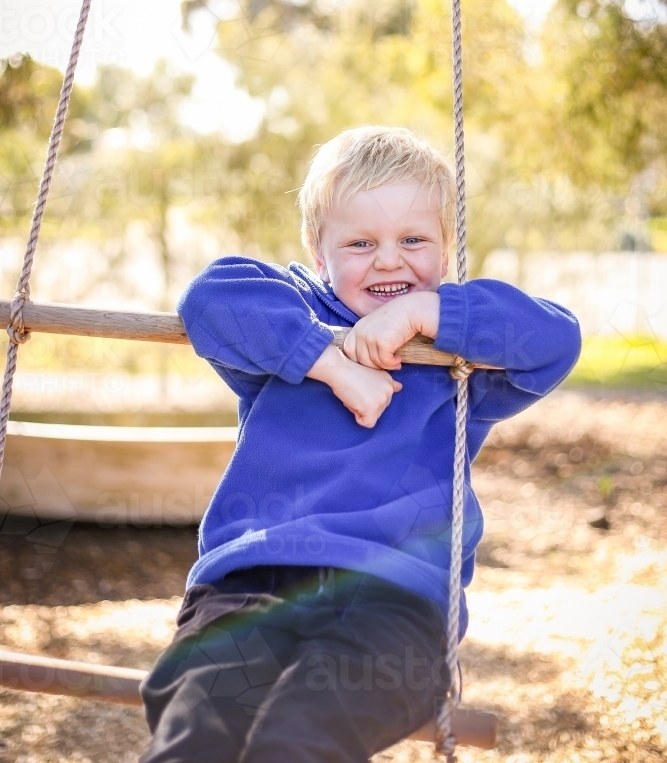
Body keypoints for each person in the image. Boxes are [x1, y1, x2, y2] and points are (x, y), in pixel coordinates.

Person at [140, 125, 581, 763]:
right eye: (360, 242)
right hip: (251, 583)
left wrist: (424, 315)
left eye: (413, 240)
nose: (388, 260)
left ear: (446, 249)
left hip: (394, 598)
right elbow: (210, 297)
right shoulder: (291, 325)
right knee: (198, 731)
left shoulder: (459, 361)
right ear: (318, 254)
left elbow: (556, 339)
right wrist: (330, 361)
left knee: (298, 739)